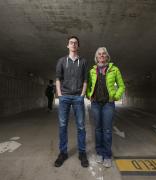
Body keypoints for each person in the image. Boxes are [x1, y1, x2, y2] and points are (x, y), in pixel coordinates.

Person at [86, 47, 125, 168]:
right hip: (96, 104)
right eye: (99, 54)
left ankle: (107, 155)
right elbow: (88, 85)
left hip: (108, 104)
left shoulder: (114, 69)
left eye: (104, 54)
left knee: (107, 130)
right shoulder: (92, 71)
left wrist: (116, 96)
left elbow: (121, 86)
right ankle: (99, 153)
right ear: (96, 57)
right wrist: (88, 95)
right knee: (98, 129)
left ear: (107, 56)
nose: (101, 56)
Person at [54, 36, 89, 168]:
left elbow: (85, 79)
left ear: (78, 46)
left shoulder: (84, 61)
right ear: (67, 46)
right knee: (63, 126)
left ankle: (82, 153)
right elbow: (58, 78)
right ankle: (63, 153)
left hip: (78, 97)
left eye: (75, 43)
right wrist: (60, 94)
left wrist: (82, 95)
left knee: (81, 126)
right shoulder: (62, 61)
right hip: (64, 97)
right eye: (71, 42)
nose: (73, 44)